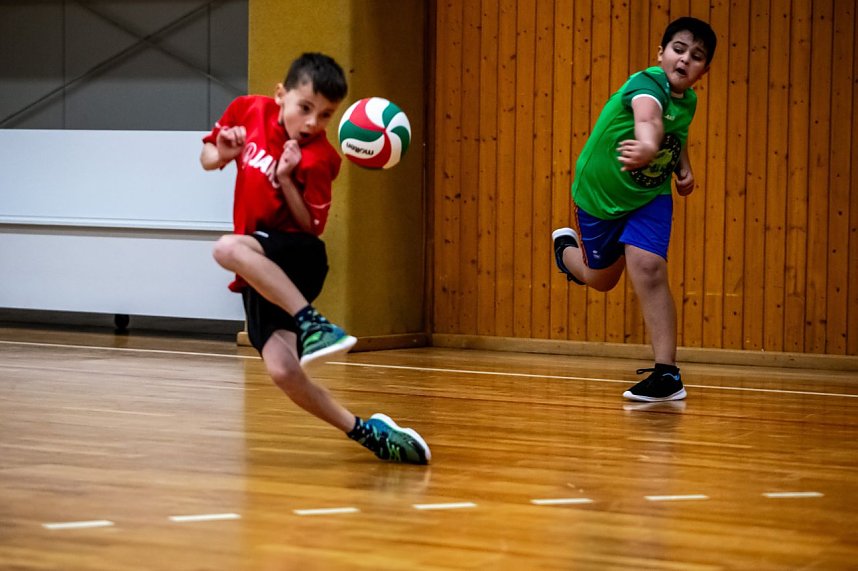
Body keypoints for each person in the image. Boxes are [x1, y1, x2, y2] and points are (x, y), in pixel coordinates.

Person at [201, 52, 430, 464]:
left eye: (324, 115)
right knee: (285, 372)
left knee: (227, 248)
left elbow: (312, 226)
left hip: (297, 255)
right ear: (280, 95)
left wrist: (287, 178)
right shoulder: (246, 111)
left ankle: (313, 323)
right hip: (261, 265)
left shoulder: (322, 157)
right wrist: (220, 151)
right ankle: (368, 432)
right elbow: (207, 160)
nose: (312, 123)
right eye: (305, 109)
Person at [552, 17, 717, 402]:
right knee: (601, 279)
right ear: (660, 53)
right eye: (678, 49)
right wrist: (645, 143)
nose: (684, 60)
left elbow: (675, 132)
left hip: (649, 197)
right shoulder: (646, 85)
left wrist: (683, 167)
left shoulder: (687, 100)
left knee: (648, 267)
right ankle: (566, 254)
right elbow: (650, 117)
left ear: (703, 71)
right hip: (599, 197)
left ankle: (667, 374)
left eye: (696, 57)